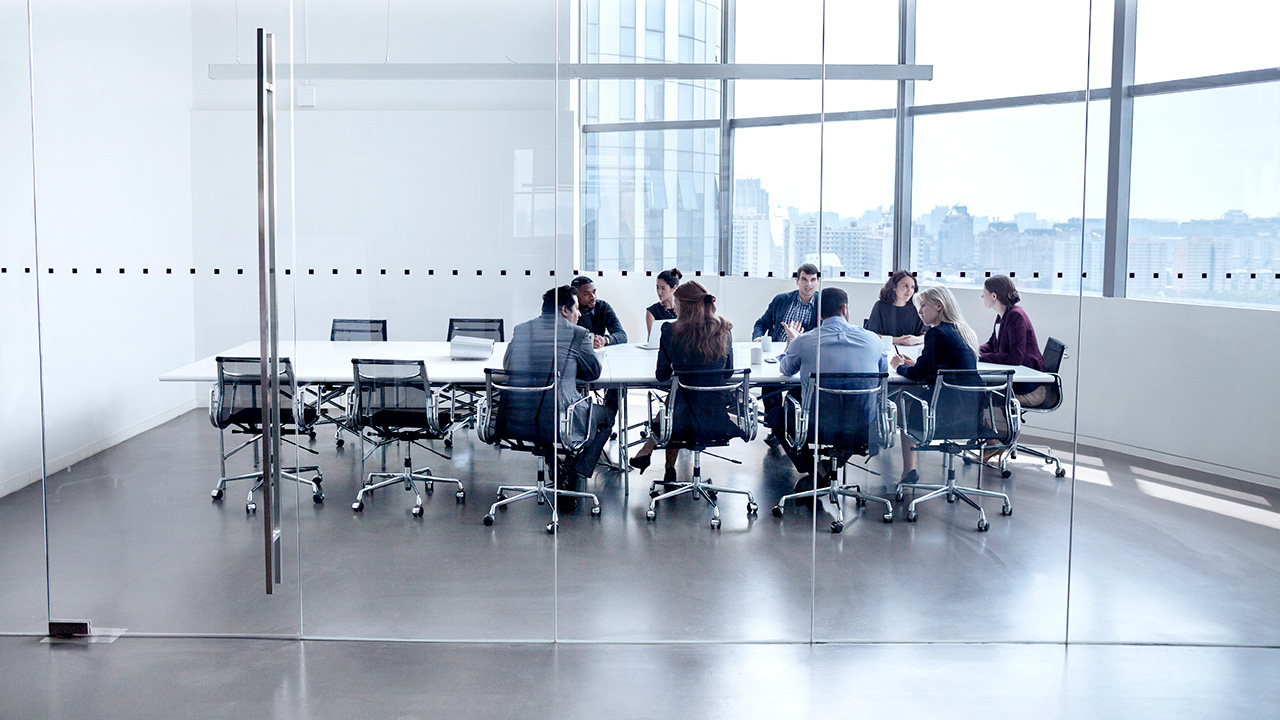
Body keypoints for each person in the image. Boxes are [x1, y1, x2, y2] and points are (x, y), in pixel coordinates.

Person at [504, 285, 617, 511]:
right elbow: (593, 373)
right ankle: (576, 471)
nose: (580, 314)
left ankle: (556, 463)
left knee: (545, 413)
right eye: (576, 309)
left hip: (519, 415)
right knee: (606, 416)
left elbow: (508, 366)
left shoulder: (522, 329)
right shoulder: (578, 334)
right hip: (560, 416)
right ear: (565, 310)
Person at [778, 287, 889, 503]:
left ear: (818, 314)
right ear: (845, 309)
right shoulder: (873, 340)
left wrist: (792, 342)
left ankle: (814, 470)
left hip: (818, 425)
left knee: (776, 414)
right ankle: (827, 468)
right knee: (853, 411)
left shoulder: (805, 341)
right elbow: (883, 372)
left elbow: (785, 369)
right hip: (863, 426)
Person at [628, 281, 734, 488]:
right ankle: (658, 459)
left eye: (676, 302)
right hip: (716, 416)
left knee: (674, 402)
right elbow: (728, 372)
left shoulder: (670, 330)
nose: (673, 306)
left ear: (685, 306)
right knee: (677, 401)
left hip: (681, 416)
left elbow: (662, 375)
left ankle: (660, 460)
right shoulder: (724, 329)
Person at [889, 285, 980, 485]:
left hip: (945, 410)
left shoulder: (936, 333)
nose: (919, 311)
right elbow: (938, 369)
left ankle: (909, 469)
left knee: (903, 399)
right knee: (910, 393)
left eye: (923, 305)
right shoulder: (963, 330)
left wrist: (898, 367)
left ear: (939, 306)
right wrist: (916, 364)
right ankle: (909, 469)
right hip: (971, 412)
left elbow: (916, 375)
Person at [752, 263, 821, 445]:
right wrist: (758, 337)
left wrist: (799, 338)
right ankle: (777, 430)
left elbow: (823, 335)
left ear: (818, 282)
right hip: (777, 353)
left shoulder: (822, 304)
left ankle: (790, 427)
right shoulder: (781, 300)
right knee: (770, 386)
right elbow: (761, 323)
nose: (809, 284)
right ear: (797, 281)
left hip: (805, 355)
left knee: (798, 388)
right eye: (804, 279)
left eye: (813, 280)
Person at [978, 274, 1047, 408]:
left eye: (984, 293)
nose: (982, 297)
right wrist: (974, 351)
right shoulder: (1003, 315)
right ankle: (988, 428)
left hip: (1030, 389)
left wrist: (980, 357)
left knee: (982, 397)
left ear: (994, 296)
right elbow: (992, 344)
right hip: (1018, 384)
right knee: (982, 393)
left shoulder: (1016, 316)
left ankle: (988, 429)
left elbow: (1015, 358)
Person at [865, 270, 926, 345]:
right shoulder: (880, 306)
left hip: (911, 351)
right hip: (886, 349)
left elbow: (926, 334)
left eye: (912, 287)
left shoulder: (917, 308)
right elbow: (871, 336)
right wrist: (897, 340)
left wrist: (917, 340)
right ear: (894, 287)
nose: (910, 291)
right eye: (905, 286)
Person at [571, 276, 628, 349]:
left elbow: (622, 335)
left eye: (594, 292)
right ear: (575, 296)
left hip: (599, 353)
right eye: (587, 294)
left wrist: (605, 340)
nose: (593, 297)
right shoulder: (569, 310)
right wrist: (588, 342)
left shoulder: (603, 307)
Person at [645, 268, 682, 334]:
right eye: (657, 287)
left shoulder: (683, 309)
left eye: (663, 288)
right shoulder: (652, 311)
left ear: (674, 288)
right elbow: (653, 338)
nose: (659, 291)